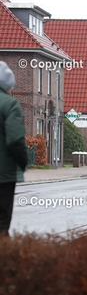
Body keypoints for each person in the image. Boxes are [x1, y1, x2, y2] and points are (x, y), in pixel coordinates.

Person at [0, 62, 28, 236]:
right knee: (2, 224)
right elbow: (16, 140)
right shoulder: (10, 104)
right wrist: (22, 164)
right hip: (3, 175)